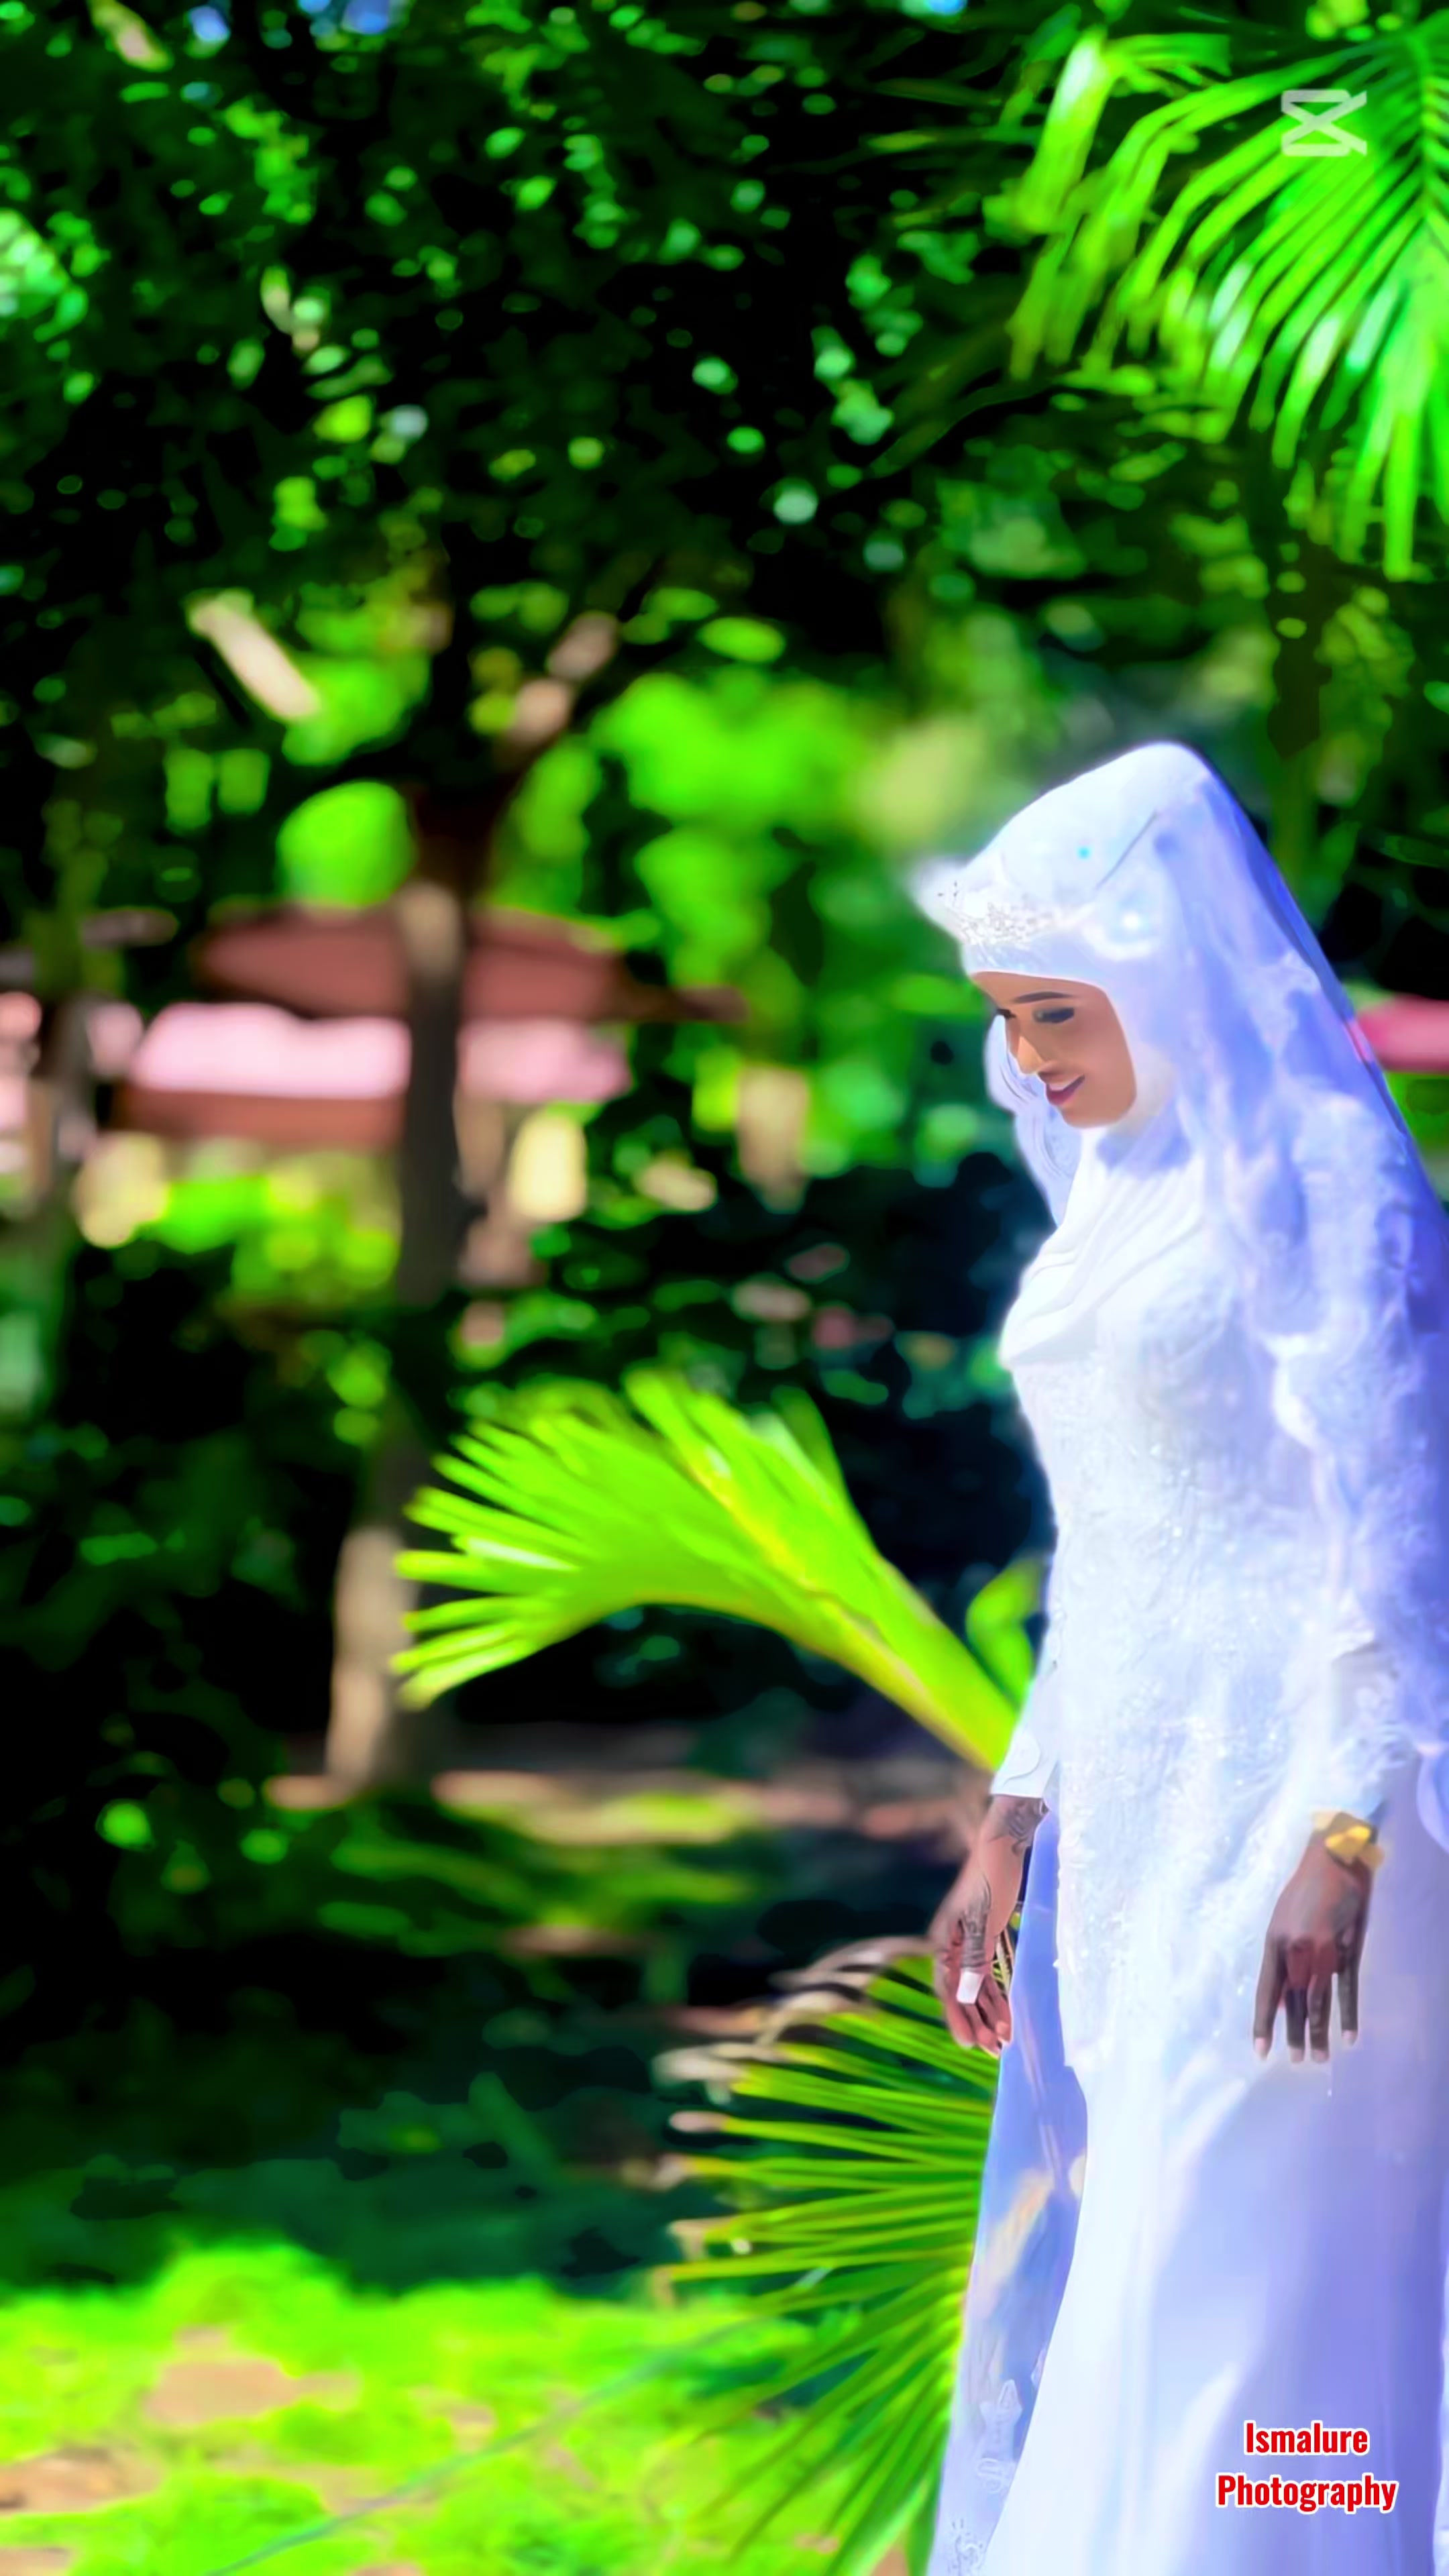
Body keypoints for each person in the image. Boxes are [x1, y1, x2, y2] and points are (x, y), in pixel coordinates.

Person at [912, 743, 1449, 2575]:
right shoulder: (1111, 1188)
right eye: (1007, 1015)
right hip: (1136, 1829)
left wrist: (1345, 1833)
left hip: (1309, 1818)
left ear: (1161, 970)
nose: (1031, 1053)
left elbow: (1398, 1531)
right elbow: (1112, 1546)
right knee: (1149, 2264)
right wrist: (1016, 1815)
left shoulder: (1327, 1186)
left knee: (1260, 2274)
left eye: (1058, 1010)